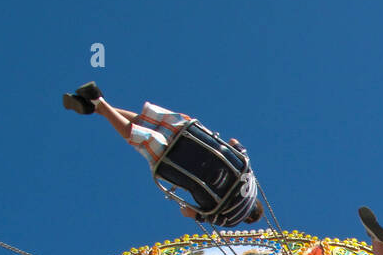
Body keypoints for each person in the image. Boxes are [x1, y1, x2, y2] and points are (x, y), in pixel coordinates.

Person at [62, 82, 262, 226]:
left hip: (190, 136)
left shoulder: (249, 176)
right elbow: (191, 212)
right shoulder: (229, 219)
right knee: (138, 136)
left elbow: (234, 143)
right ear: (248, 218)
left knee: (144, 121)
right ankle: (100, 103)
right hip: (175, 164)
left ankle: (96, 107)